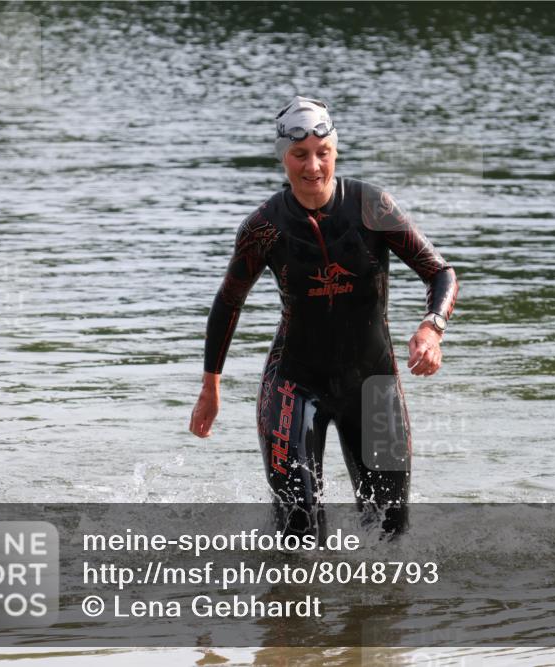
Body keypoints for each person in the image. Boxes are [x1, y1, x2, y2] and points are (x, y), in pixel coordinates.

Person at [189, 96, 457, 537]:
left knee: (390, 534)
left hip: (373, 386)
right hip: (295, 384)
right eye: (300, 155)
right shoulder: (264, 228)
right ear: (284, 159)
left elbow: (440, 273)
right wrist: (210, 389)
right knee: (299, 531)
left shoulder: (372, 207)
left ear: (335, 152)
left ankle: (377, 607)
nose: (313, 166)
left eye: (323, 153)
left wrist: (433, 327)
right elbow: (228, 303)